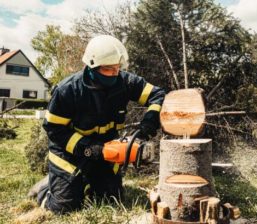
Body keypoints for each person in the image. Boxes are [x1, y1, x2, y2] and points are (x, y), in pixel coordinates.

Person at [37, 35, 165, 214]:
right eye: (109, 69)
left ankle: (85, 183)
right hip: (69, 155)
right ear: (92, 67)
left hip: (107, 152)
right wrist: (90, 148)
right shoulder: (67, 90)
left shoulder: (125, 82)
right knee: (64, 207)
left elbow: (158, 95)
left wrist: (149, 123)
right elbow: (54, 130)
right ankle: (46, 189)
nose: (115, 73)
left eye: (118, 68)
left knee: (111, 199)